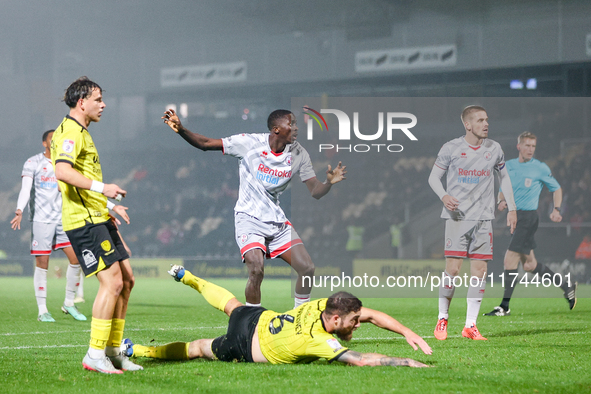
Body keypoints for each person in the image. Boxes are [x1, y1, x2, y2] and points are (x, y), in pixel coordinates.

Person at [162, 108, 346, 308]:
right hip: (249, 219)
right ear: (276, 129)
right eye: (291, 124)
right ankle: (251, 321)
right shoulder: (249, 143)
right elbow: (206, 144)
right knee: (257, 269)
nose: (296, 128)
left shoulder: (299, 154)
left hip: (276, 221)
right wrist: (181, 130)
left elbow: (315, 191)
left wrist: (329, 183)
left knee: (307, 269)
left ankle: (299, 318)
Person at [123, 264, 432, 367]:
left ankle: (188, 277)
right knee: (198, 348)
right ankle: (136, 350)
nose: (358, 324)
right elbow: (363, 360)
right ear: (336, 320)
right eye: (354, 322)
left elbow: (372, 315)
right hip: (244, 346)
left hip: (257, 318)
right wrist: (406, 361)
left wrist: (407, 331)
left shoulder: (325, 304)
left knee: (230, 304)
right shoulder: (322, 343)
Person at [51, 77, 141, 374]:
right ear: (82, 102)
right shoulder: (69, 132)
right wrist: (105, 189)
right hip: (83, 222)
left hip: (98, 215)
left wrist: (110, 206)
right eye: (98, 99)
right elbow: (63, 171)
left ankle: (114, 352)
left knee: (127, 280)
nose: (103, 105)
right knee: (112, 282)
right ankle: (94, 354)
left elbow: (81, 180)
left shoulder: (83, 132)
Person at [428, 105, 517, 341]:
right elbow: (433, 177)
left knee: (480, 271)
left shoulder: (494, 148)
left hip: (484, 218)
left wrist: (512, 207)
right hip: (458, 217)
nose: (485, 124)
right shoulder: (451, 148)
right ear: (467, 125)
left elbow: (504, 177)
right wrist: (444, 196)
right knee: (453, 269)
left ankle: (470, 326)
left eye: (486, 120)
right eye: (479, 120)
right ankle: (442, 318)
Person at [484, 131, 577, 316]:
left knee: (509, 259)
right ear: (519, 146)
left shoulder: (540, 168)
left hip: (527, 218)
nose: (530, 149)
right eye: (527, 145)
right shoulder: (508, 166)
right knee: (530, 265)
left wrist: (556, 209)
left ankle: (504, 306)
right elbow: (503, 188)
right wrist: (500, 201)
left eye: (533, 146)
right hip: (515, 217)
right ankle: (567, 286)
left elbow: (557, 188)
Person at [10, 130, 86, 322]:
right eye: (52, 139)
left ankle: (69, 303)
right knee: (43, 264)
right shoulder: (32, 162)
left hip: (63, 219)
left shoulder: (65, 164)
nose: (55, 142)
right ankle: (42, 310)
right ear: (44, 143)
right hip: (41, 220)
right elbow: (26, 189)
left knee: (76, 259)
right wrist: (19, 210)